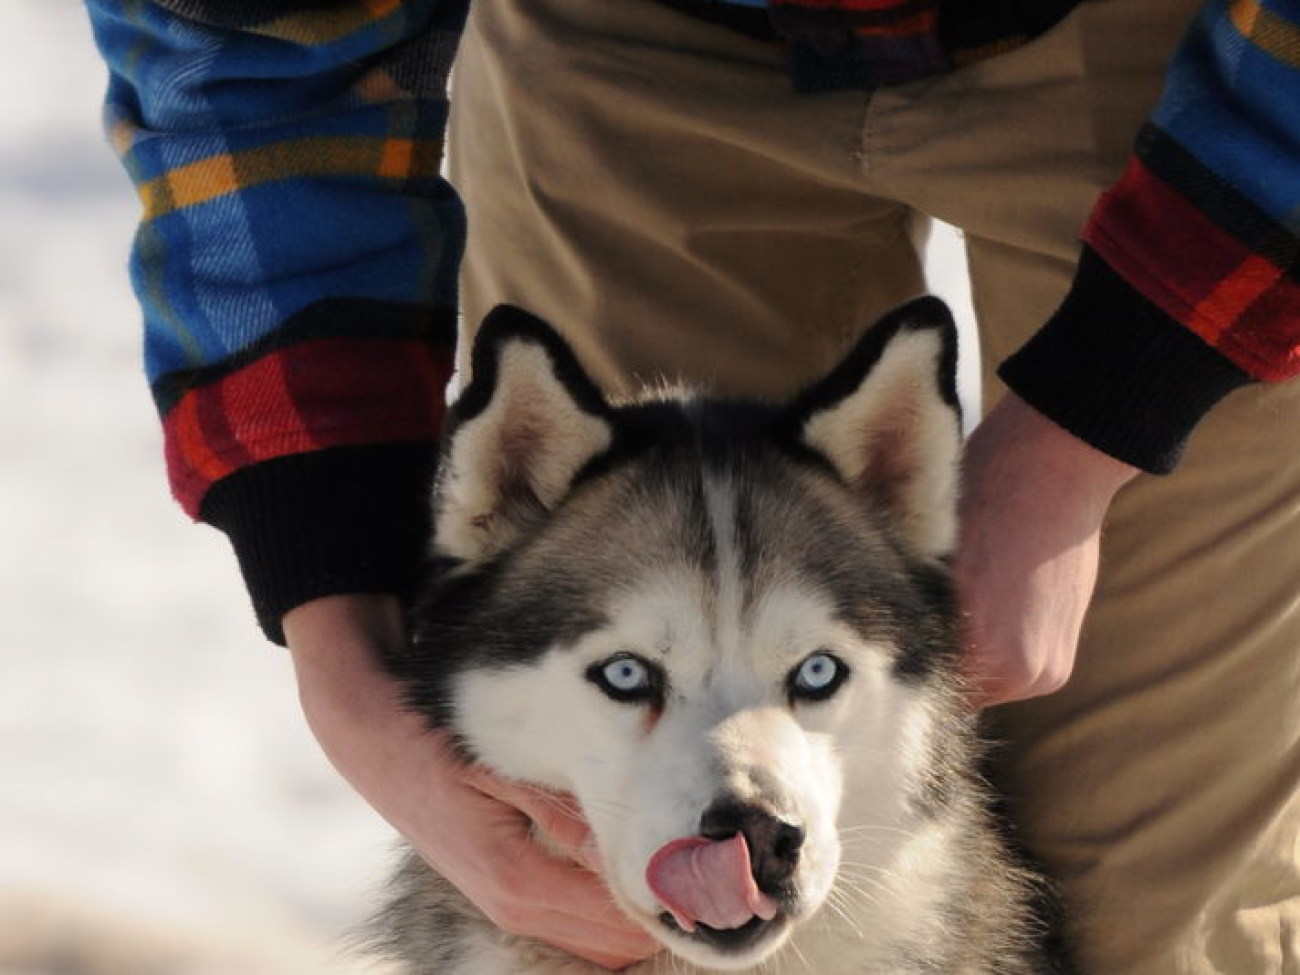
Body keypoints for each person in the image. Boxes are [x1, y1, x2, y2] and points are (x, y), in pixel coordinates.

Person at [85, 0, 1299, 971]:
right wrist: (339, 633)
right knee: (556, 891)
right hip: (637, 46)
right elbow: (241, 39)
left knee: (1158, 915)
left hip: (1194, 65)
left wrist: (1104, 416)